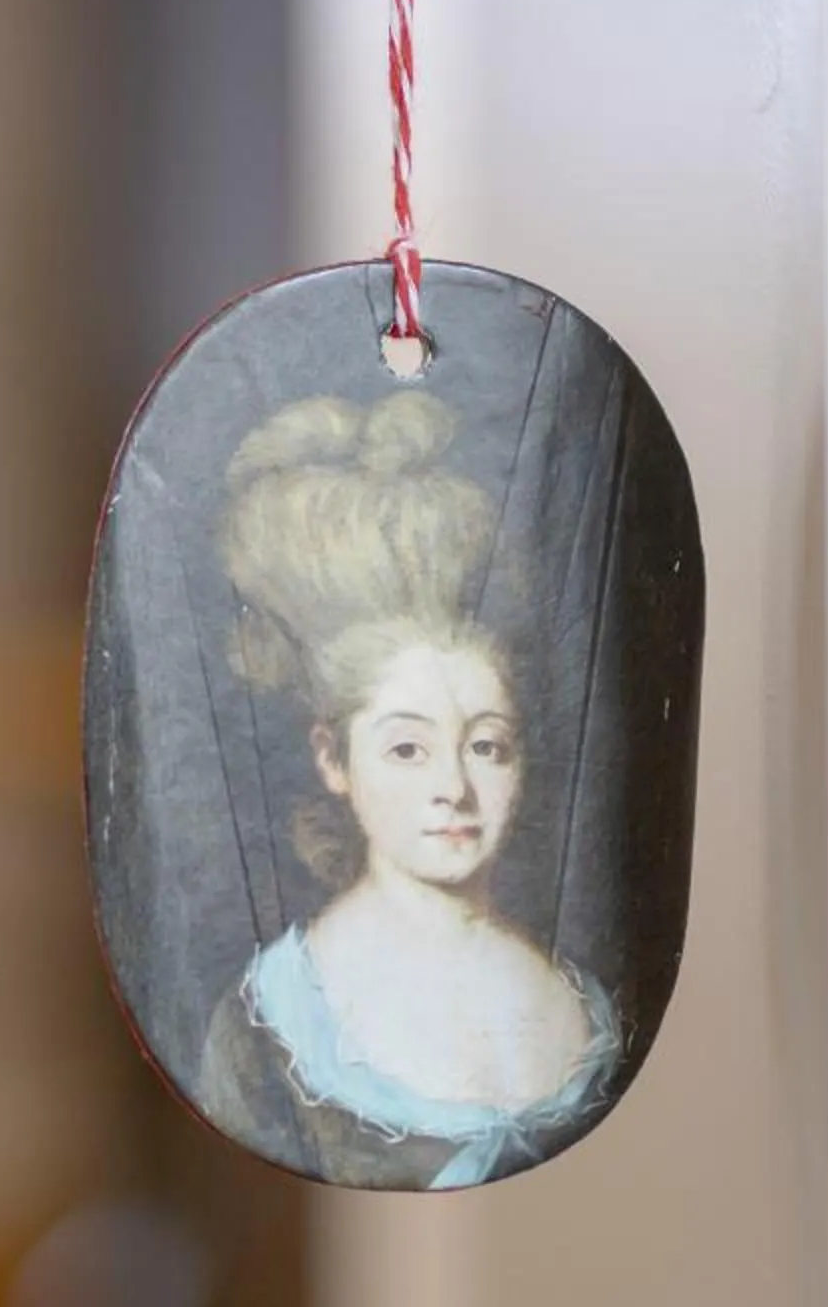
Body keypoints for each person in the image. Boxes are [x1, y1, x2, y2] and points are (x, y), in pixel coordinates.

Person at [195, 391, 622, 1188]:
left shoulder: (580, 1005)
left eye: (487, 746)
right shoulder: (273, 1030)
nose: (454, 788)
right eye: (407, 748)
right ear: (334, 759)